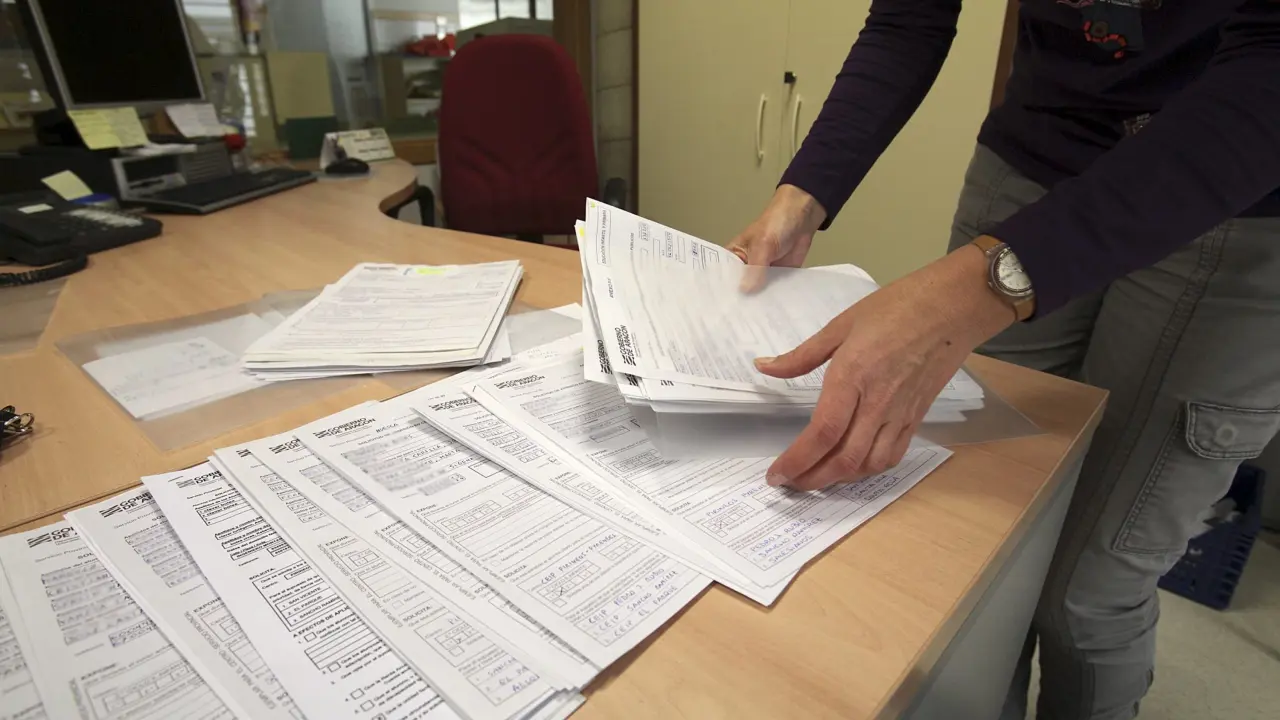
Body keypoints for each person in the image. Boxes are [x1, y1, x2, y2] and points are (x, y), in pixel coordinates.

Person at [728, 2, 1280, 719]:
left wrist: (967, 293)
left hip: (1239, 191)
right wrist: (803, 194)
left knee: (1089, 593)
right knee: (978, 551)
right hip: (1034, 160)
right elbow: (907, 19)